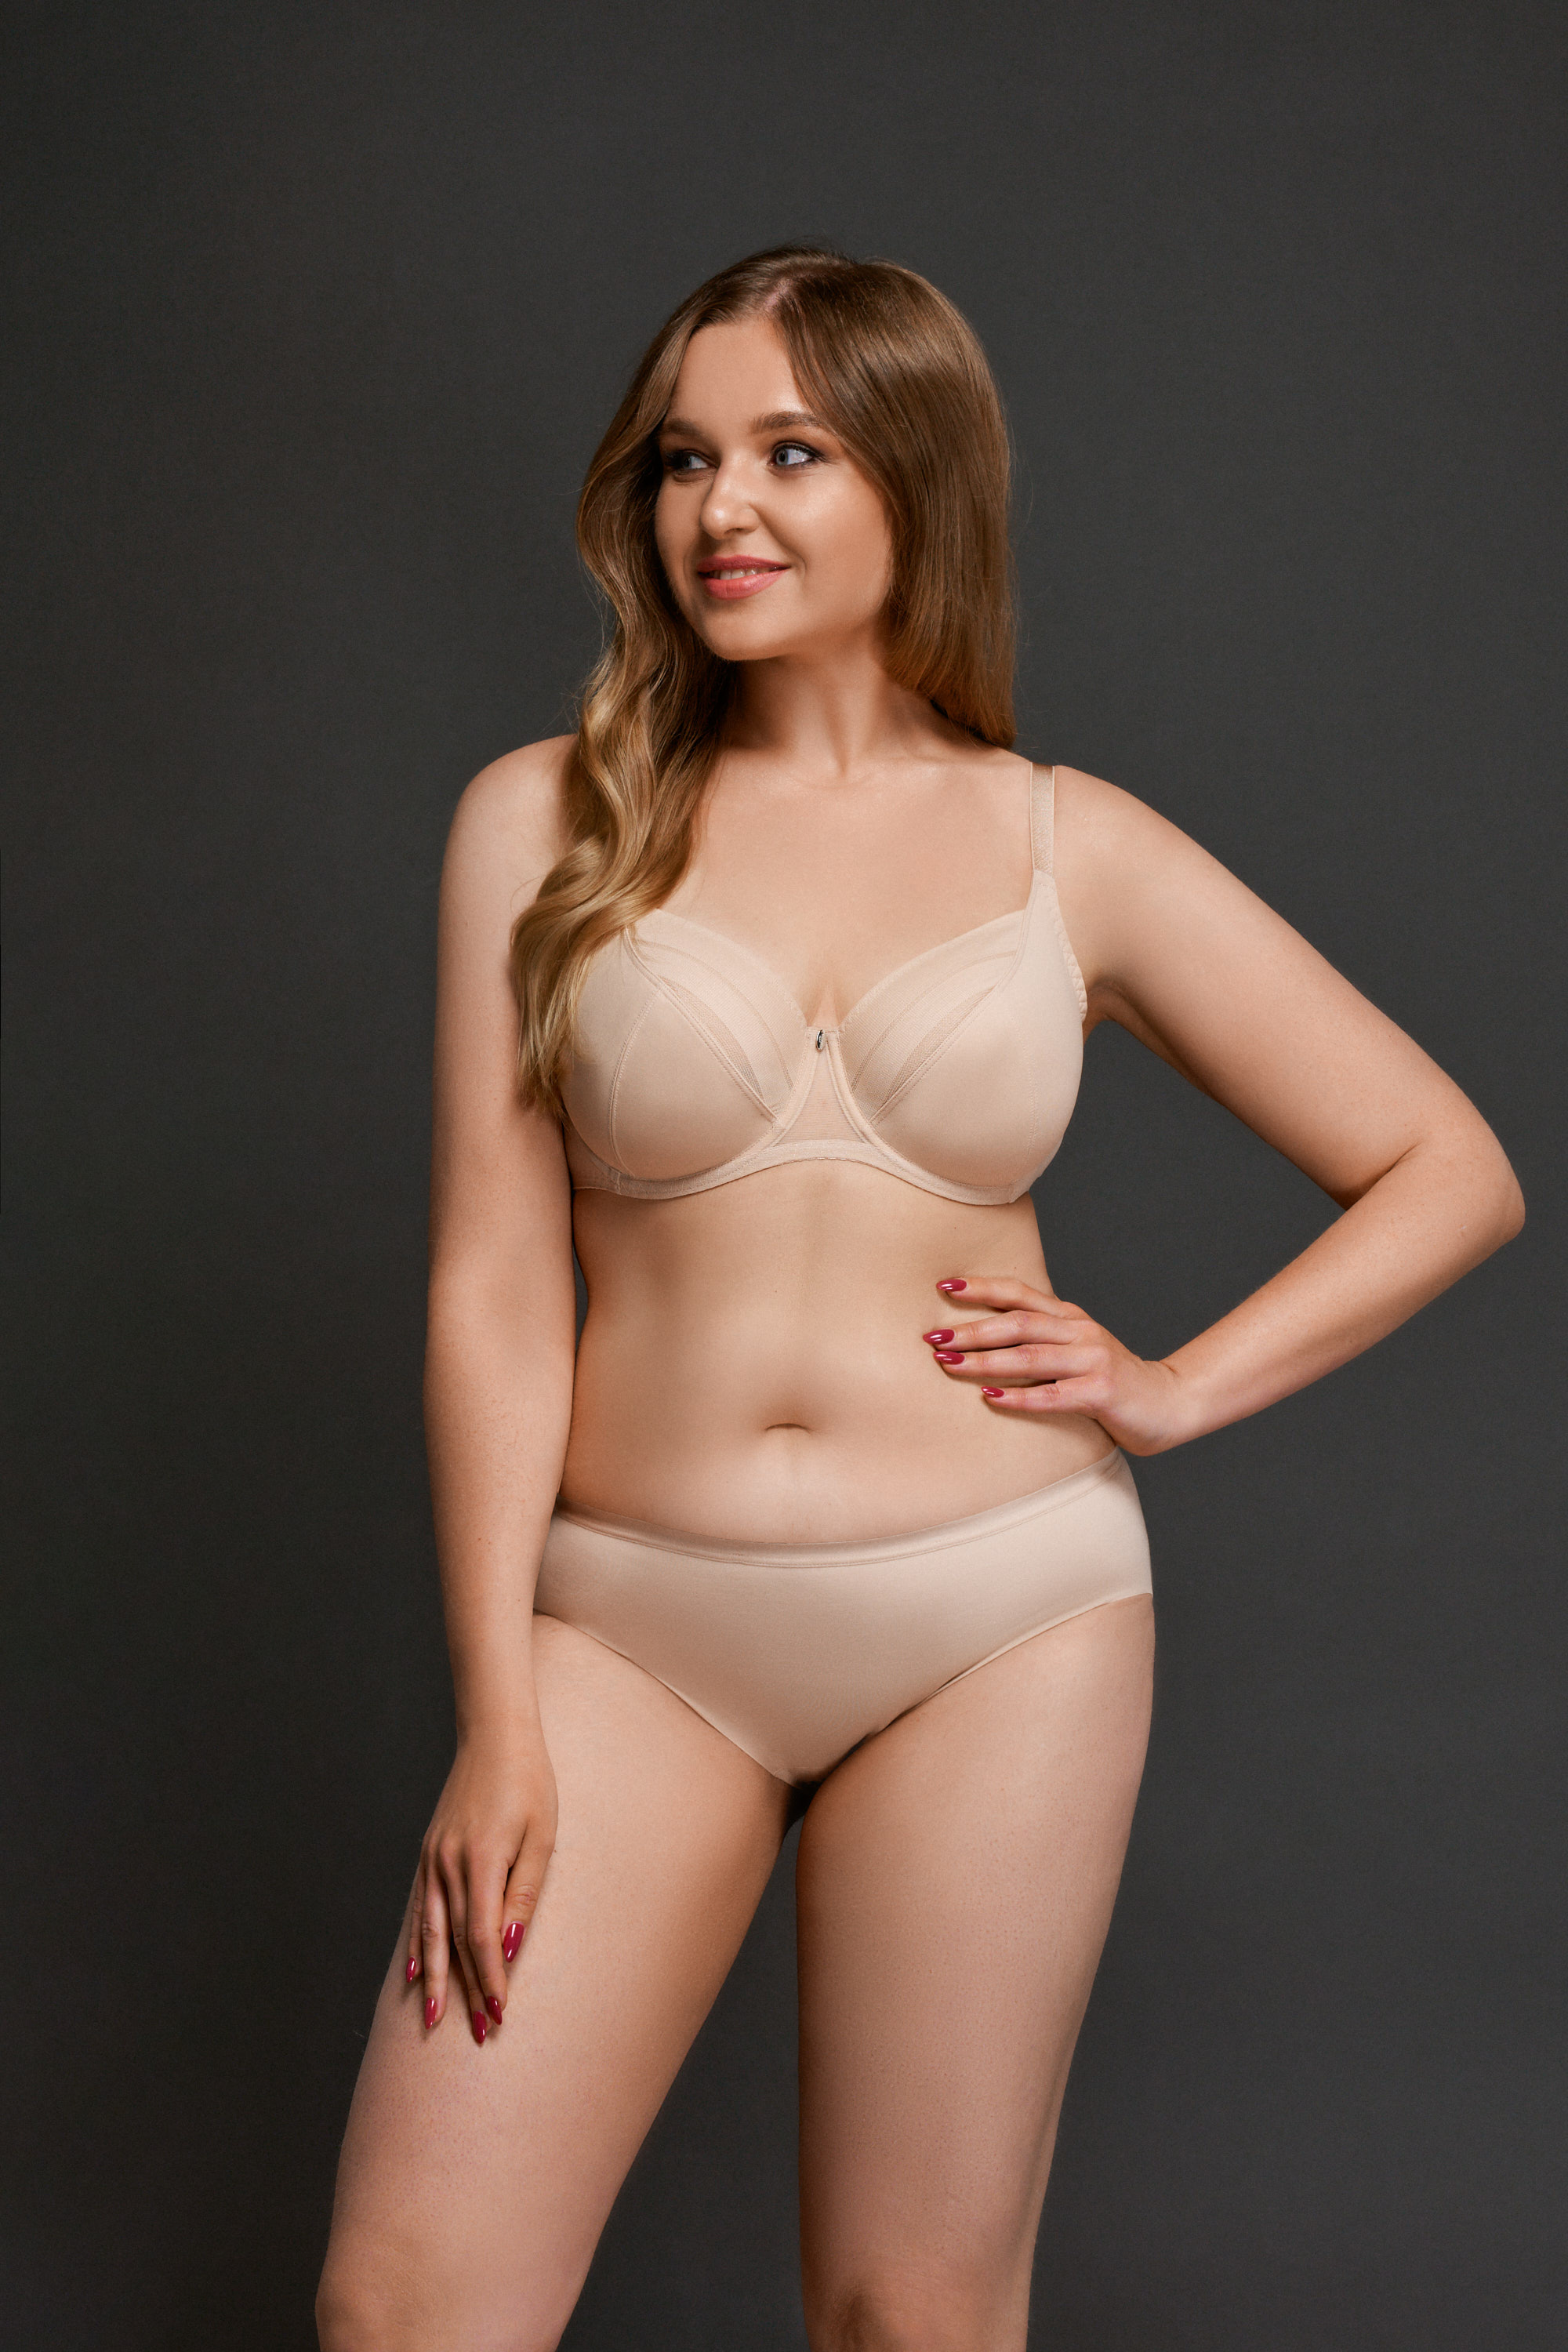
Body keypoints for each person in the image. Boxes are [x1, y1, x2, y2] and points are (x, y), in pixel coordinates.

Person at [315, 246, 1523, 2352]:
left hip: (1001, 1617)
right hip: (628, 1630)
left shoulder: (1071, 847)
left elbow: (1451, 1166)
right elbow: (492, 1289)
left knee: (912, 2316)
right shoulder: (541, 821)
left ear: (917, 477)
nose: (723, 508)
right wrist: (500, 1713)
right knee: (407, 2307)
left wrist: (1178, 1384)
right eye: (685, 458)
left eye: (792, 451)